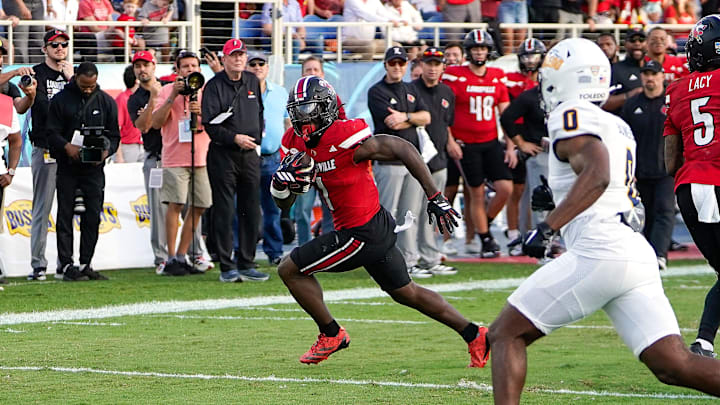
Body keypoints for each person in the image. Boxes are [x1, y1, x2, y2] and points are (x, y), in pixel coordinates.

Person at [488, 37, 720, 404]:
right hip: (632, 250)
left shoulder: (571, 115)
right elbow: (603, 183)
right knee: (674, 365)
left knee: (504, 334)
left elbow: (597, 173)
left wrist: (548, 227)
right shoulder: (616, 125)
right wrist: (558, 205)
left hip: (602, 247)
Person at [273, 75, 488, 367]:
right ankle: (475, 333)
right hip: (370, 225)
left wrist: (434, 195)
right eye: (297, 111)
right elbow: (285, 203)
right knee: (406, 292)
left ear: (324, 109)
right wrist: (281, 186)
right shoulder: (293, 143)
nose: (301, 118)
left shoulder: (345, 135)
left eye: (308, 110)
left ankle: (331, 334)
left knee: (290, 269)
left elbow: (401, 148)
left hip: (363, 231)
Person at [664, 15, 720, 359]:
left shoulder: (676, 89)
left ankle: (702, 343)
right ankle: (702, 343)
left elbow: (670, 162)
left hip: (688, 189)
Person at [201, 39, 269, 283]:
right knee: (224, 210)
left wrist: (258, 133)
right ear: (225, 58)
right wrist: (234, 137)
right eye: (234, 55)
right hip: (223, 155)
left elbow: (259, 110)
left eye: (242, 55)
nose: (239, 59)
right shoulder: (213, 86)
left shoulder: (252, 80)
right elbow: (209, 124)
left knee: (250, 209)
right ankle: (226, 265)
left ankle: (247, 262)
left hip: (250, 155)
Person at [442, 29, 513, 259]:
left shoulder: (497, 75)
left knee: (505, 189)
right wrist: (450, 140)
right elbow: (444, 112)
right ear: (468, 51)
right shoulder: (454, 75)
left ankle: (483, 223)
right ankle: (485, 239)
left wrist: (511, 145)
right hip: (466, 144)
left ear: (489, 51)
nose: (479, 52)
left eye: (482, 48)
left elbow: (506, 114)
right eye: (475, 48)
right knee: (477, 193)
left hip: (491, 141)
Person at [46, 62, 120, 281]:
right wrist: (67, 147)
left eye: (92, 85)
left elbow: (115, 136)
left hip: (94, 168)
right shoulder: (60, 100)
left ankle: (86, 262)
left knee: (92, 215)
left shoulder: (106, 101)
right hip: (68, 166)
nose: (88, 89)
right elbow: (50, 133)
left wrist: (105, 152)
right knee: (65, 215)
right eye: (84, 85)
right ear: (75, 77)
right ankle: (66, 264)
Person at [367, 46, 432, 278]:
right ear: (385, 65)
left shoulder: (411, 89)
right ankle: (380, 258)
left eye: (401, 63)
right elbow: (390, 123)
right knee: (386, 213)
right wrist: (413, 120)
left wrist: (406, 117)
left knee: (410, 213)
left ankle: (409, 259)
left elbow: (426, 117)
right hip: (388, 161)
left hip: (411, 161)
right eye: (393, 63)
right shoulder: (377, 91)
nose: (397, 67)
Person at [151, 50, 211, 276]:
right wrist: (172, 96)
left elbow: (215, 121)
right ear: (177, 70)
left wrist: (201, 112)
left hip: (201, 157)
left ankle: (182, 254)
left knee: (200, 205)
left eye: (194, 65)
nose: (190, 70)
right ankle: (170, 257)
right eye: (185, 66)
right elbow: (156, 124)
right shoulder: (167, 90)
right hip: (174, 157)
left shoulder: (206, 90)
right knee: (175, 205)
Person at [401, 46, 459, 276]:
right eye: (429, 64)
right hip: (415, 160)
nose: (433, 68)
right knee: (410, 212)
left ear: (443, 66)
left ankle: (429, 257)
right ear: (421, 66)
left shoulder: (447, 92)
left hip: (439, 159)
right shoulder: (410, 90)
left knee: (433, 211)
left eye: (437, 64)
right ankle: (408, 259)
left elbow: (445, 124)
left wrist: (451, 142)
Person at [27, 29, 73, 281]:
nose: (60, 48)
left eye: (64, 44)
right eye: (54, 45)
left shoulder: (72, 75)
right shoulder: (37, 73)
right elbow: (45, 107)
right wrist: (71, 88)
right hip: (45, 148)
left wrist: (72, 79)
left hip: (69, 151)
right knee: (42, 209)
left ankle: (65, 263)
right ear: (44, 48)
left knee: (67, 210)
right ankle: (38, 264)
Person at [620, 60, 674, 271]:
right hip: (639, 171)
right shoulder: (632, 105)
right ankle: (645, 254)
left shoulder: (672, 102)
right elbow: (624, 138)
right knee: (644, 214)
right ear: (642, 77)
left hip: (666, 169)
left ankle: (659, 254)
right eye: (646, 74)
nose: (650, 78)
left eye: (654, 74)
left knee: (664, 211)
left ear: (662, 76)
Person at [499, 38, 547, 255]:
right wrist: (516, 144)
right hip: (521, 141)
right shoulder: (511, 82)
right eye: (526, 56)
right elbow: (506, 115)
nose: (530, 60)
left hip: (545, 145)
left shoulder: (550, 84)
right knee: (519, 190)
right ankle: (515, 233)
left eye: (534, 55)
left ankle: (541, 234)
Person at [245, 50, 289, 266]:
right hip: (247, 157)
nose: (257, 67)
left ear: (268, 67)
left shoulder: (280, 93)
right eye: (252, 64)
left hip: (273, 157)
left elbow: (288, 123)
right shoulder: (241, 92)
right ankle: (244, 252)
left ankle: (275, 252)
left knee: (272, 209)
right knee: (245, 208)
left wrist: (290, 151)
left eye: (261, 63)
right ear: (246, 68)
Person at [292, 55, 341, 246]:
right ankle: (304, 249)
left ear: (322, 74)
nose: (312, 73)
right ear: (301, 74)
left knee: (331, 208)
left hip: (327, 161)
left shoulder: (334, 99)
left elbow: (341, 128)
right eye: (308, 70)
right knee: (303, 209)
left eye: (315, 70)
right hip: (305, 161)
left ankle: (330, 248)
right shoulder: (295, 98)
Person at [603, 27, 646, 114]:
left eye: (641, 40)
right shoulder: (614, 69)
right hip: (622, 123)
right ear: (625, 44)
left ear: (647, 44)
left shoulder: (655, 69)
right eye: (632, 40)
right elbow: (604, 103)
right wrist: (629, 95)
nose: (637, 43)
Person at [114, 65, 143, 163]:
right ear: (136, 80)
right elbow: (116, 128)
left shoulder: (141, 97)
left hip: (143, 145)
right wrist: (119, 155)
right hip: (128, 147)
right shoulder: (122, 99)